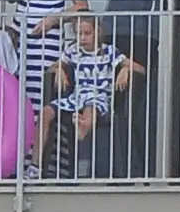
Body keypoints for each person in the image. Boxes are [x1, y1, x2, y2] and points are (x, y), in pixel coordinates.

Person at [0, 0, 86, 161]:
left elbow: (82, 3)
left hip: (48, 38)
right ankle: (14, 159)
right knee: (17, 95)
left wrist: (54, 19)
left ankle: (36, 162)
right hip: (21, 31)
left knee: (40, 100)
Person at [50, 10, 143, 179]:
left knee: (91, 104)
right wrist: (59, 69)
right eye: (79, 34)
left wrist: (125, 68)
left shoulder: (109, 51)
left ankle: (83, 131)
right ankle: (37, 167)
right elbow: (52, 67)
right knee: (48, 112)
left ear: (97, 32)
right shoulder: (72, 51)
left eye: (87, 33)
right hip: (76, 97)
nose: (83, 38)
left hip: (100, 98)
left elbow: (140, 68)